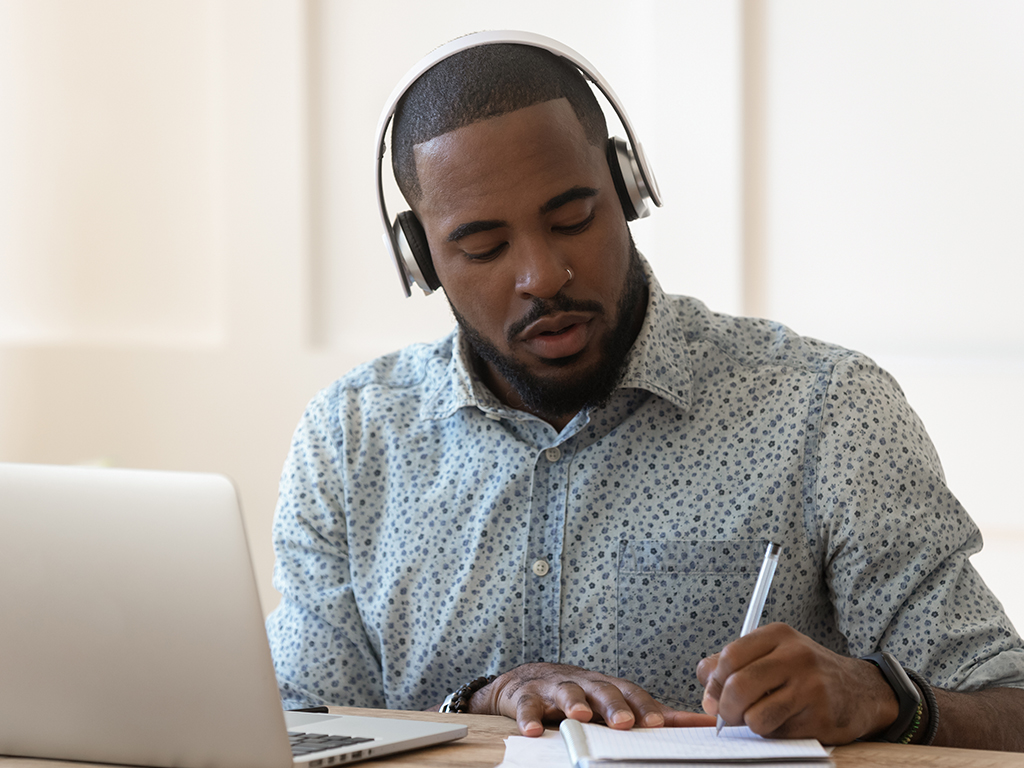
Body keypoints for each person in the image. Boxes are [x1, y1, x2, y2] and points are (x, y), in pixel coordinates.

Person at [265, 32, 1024, 750]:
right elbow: (296, 726)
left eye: (573, 218)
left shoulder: (824, 409)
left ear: (627, 188)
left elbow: (1009, 706)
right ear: (421, 259)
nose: (542, 276)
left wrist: (881, 696)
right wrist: (474, 704)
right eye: (484, 247)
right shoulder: (350, 439)